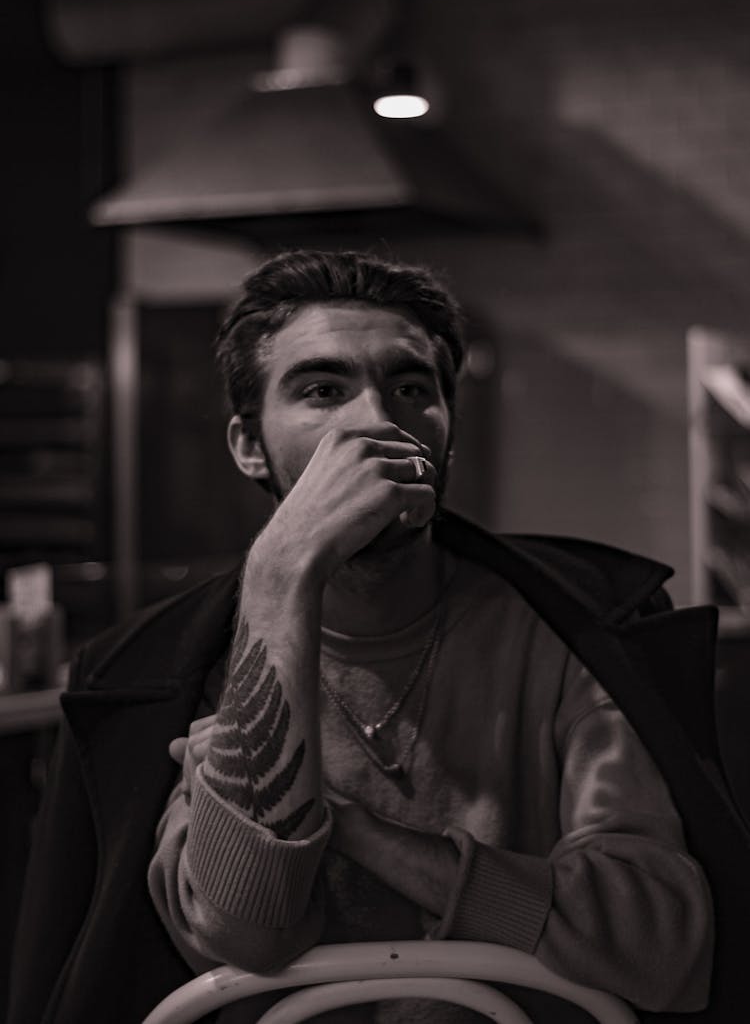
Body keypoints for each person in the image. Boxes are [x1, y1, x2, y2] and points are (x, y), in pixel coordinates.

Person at [9, 248, 733, 1024]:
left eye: (411, 386)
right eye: (322, 389)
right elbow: (245, 924)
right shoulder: (181, 667)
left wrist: (361, 834)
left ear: (447, 431)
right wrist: (282, 571)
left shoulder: (568, 629)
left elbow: (659, 944)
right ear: (248, 445)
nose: (376, 421)